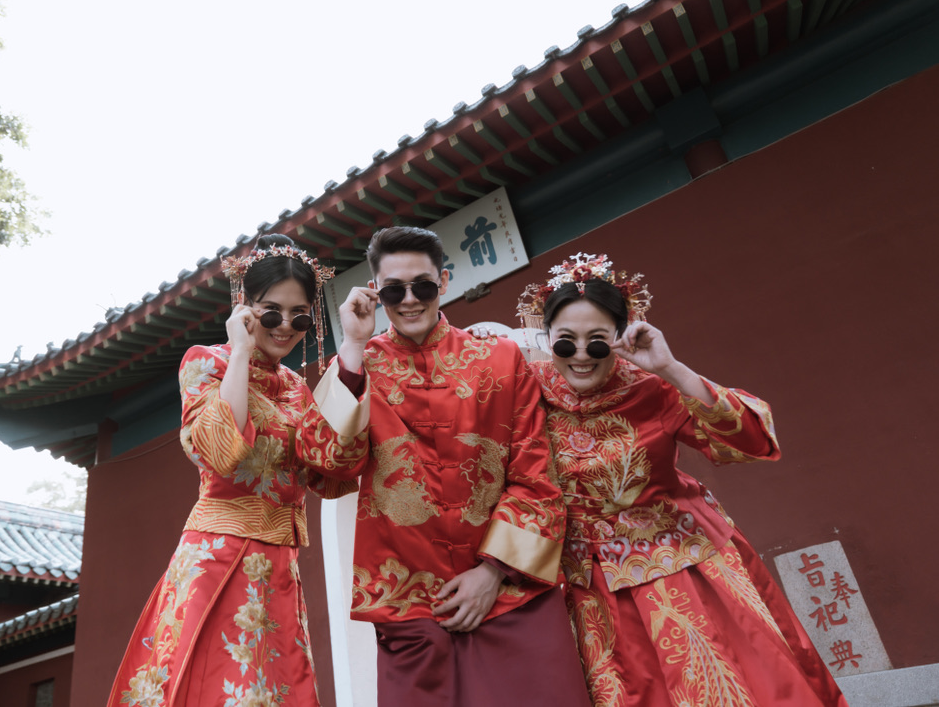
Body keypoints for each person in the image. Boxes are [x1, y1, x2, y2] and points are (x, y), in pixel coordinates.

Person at [516, 252, 848, 707]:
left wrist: (670, 367)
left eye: (596, 343)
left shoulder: (652, 386)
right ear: (545, 338)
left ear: (620, 336)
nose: (579, 356)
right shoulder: (526, 393)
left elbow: (750, 440)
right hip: (586, 591)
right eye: (564, 342)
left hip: (681, 566)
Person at [296, 226, 590, 707]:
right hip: (410, 608)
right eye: (394, 290)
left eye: (423, 286)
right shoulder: (358, 367)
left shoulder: (501, 359)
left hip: (512, 594)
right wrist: (351, 344)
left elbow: (535, 475)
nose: (409, 300)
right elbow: (328, 463)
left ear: (445, 282)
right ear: (376, 293)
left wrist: (492, 572)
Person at [107, 234, 354, 707]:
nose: (286, 326)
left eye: (299, 316)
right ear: (244, 307)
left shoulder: (298, 390)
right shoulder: (207, 362)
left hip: (280, 564)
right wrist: (239, 350)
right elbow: (221, 451)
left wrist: (356, 348)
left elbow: (332, 474)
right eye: (271, 312)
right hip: (219, 556)